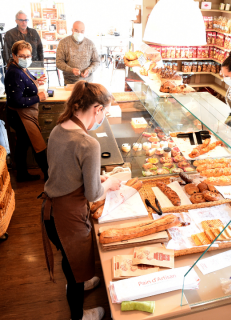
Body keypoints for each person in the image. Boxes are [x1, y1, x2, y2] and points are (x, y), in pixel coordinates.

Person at [40, 81, 121, 320]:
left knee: (69, 260)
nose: (103, 116)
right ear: (96, 108)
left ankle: (77, 280)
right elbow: (93, 194)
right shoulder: (89, 143)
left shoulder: (59, 128)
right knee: (73, 267)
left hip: (50, 212)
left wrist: (95, 176)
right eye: (104, 111)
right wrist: (107, 184)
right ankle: (78, 315)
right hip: (67, 219)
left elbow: (67, 170)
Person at [4, 40, 48, 182]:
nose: (26, 59)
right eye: (22, 56)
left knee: (22, 145)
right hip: (20, 115)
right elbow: (16, 101)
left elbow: (25, 83)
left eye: (28, 56)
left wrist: (37, 81)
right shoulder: (14, 72)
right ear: (14, 55)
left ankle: (22, 174)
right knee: (38, 144)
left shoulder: (20, 68)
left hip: (23, 113)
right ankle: (48, 174)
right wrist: (38, 97)